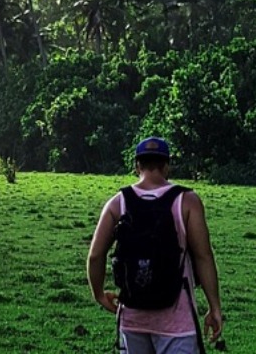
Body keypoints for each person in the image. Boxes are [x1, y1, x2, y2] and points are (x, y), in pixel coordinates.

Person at [87, 137, 224, 353]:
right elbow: (203, 256)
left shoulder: (118, 202)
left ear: (137, 166)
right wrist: (214, 307)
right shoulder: (187, 201)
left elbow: (95, 256)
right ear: (167, 166)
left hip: (132, 317)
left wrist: (99, 295)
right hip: (177, 322)